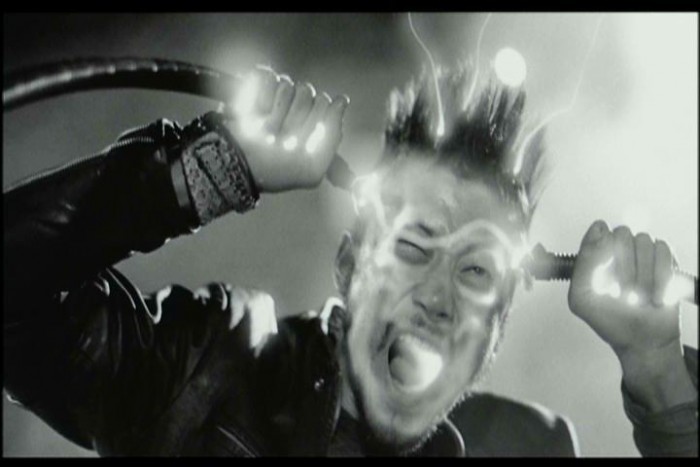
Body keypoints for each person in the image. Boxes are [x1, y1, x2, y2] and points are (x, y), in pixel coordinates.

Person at [3, 64, 697, 457]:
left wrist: (661, 377)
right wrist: (201, 173)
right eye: (412, 245)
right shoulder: (209, 364)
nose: (439, 296)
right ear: (349, 265)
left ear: (499, 328)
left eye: (478, 270)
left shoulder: (524, 448)